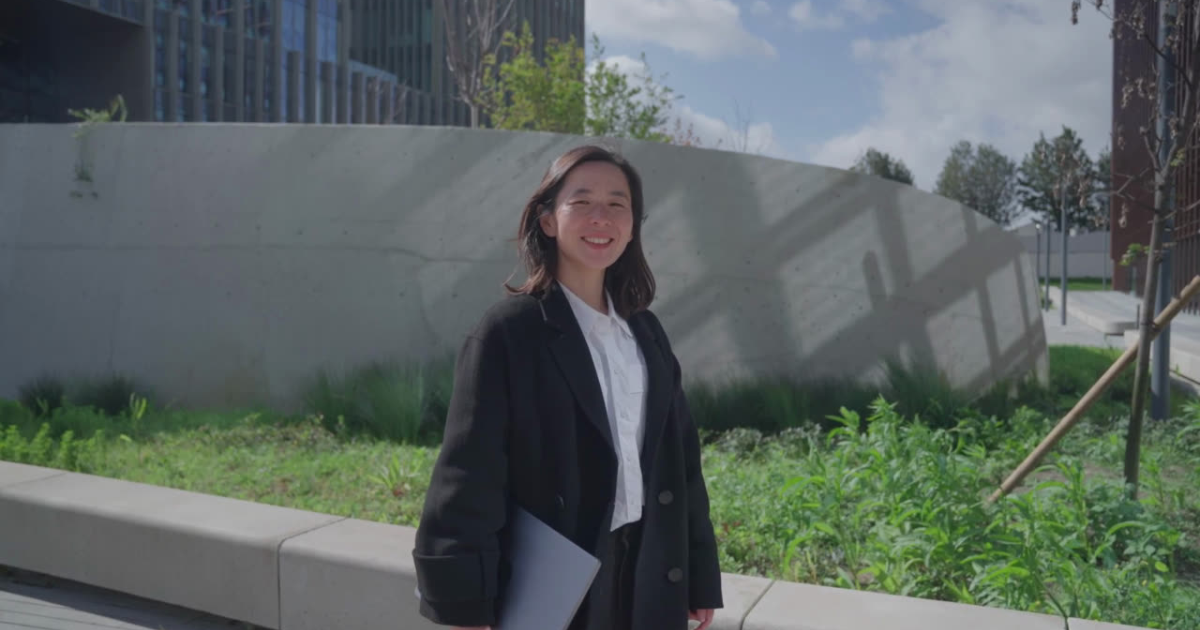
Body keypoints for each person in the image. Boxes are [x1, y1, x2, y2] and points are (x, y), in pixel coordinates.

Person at [411, 144, 723, 630]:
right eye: (582, 202)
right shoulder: (509, 331)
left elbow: (682, 464)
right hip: (559, 580)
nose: (602, 217)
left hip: (649, 570)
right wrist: (464, 606)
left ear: (633, 225)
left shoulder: (646, 332)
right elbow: (470, 473)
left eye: (618, 204)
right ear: (549, 221)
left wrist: (700, 575)